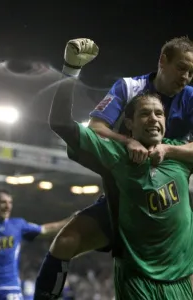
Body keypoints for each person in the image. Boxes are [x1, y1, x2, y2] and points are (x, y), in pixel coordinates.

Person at [34, 37, 193, 299]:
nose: (186, 77)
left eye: (191, 72)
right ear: (163, 61)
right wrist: (129, 142)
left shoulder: (189, 100)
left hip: (172, 197)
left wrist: (167, 150)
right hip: (126, 195)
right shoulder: (129, 88)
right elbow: (96, 127)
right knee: (66, 241)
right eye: (181, 68)